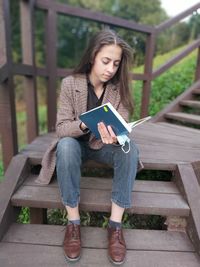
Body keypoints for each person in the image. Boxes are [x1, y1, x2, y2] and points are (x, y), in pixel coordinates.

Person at [37, 29, 140, 265]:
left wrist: (117, 137)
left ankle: (115, 226)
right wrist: (84, 124)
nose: (111, 69)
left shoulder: (118, 88)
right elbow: (61, 128)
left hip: (103, 146)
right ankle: (73, 223)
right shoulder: (70, 84)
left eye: (115, 63)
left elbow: (122, 128)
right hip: (75, 146)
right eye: (106, 61)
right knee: (65, 146)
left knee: (130, 148)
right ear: (93, 56)